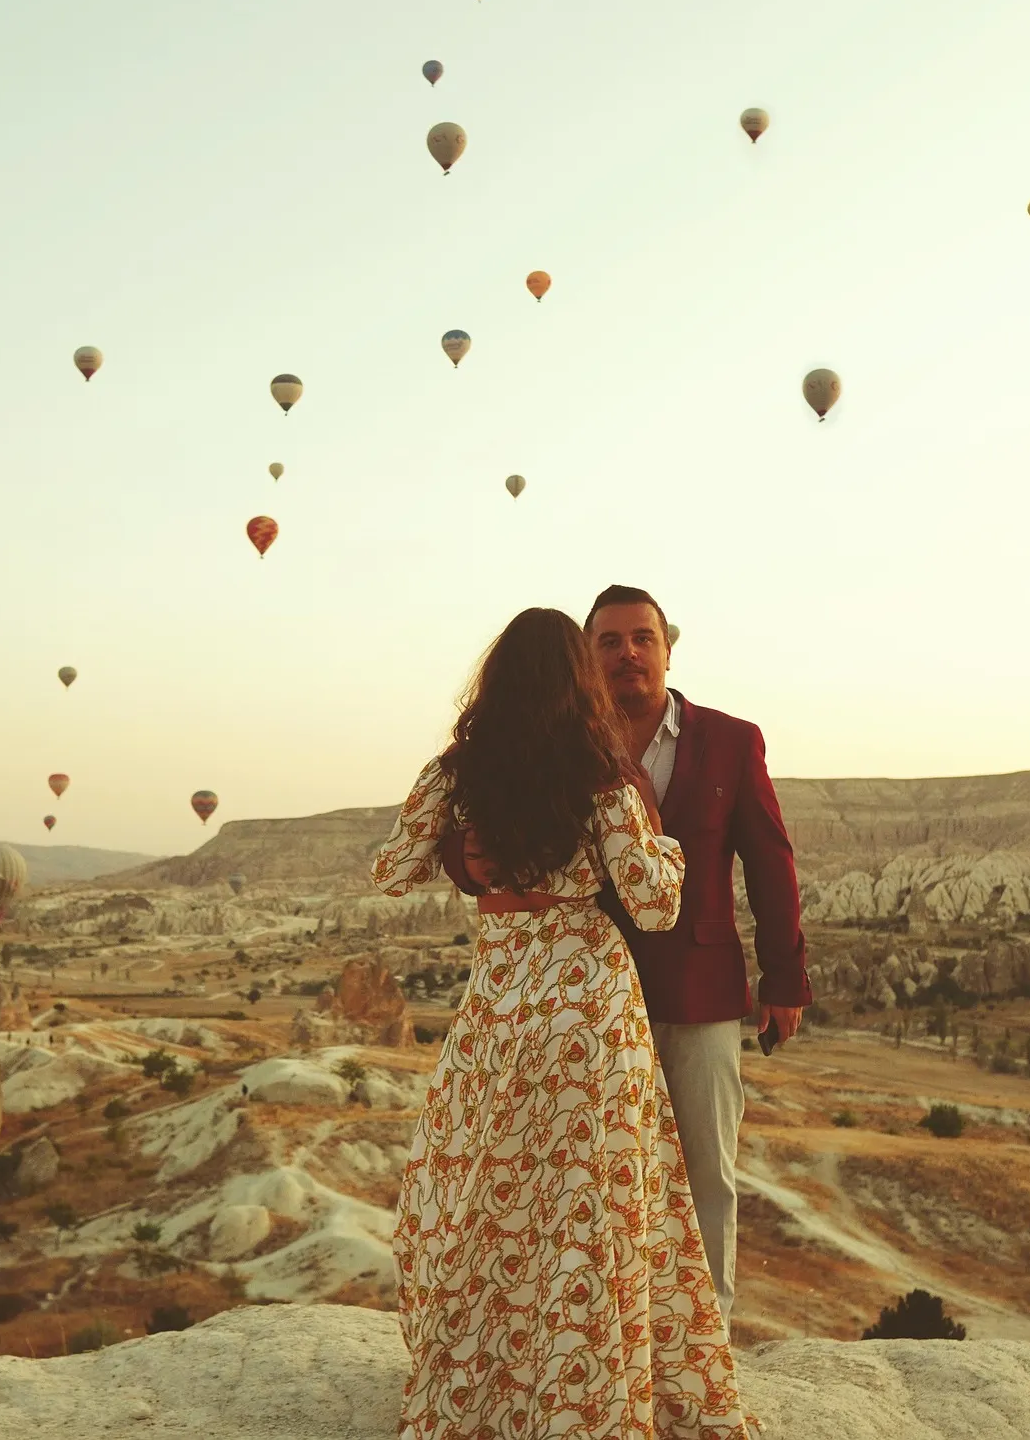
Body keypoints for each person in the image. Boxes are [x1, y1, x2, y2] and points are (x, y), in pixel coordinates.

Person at [371, 607, 748, 1440]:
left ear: (495, 679)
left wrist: (462, 853)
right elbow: (654, 905)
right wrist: (668, 850)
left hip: (500, 1003)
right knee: (589, 1208)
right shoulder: (603, 771)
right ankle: (588, 1391)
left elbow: (391, 870)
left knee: (484, 1195)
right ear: (581, 679)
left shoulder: (458, 770)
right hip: (589, 1007)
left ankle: (492, 1385)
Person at [444, 585, 811, 1328]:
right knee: (585, 1181)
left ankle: (706, 1341)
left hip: (695, 993)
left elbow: (770, 860)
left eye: (642, 638)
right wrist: (470, 867)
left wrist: (784, 978)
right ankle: (604, 1338)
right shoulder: (555, 742)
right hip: (582, 1004)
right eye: (607, 642)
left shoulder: (731, 740)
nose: (627, 654)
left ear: (668, 648)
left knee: (704, 1169)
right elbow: (477, 829)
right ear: (585, 657)